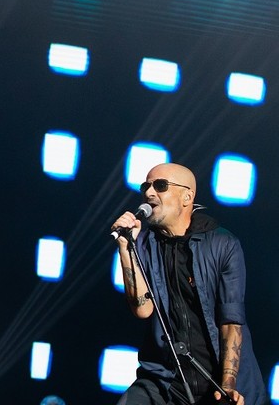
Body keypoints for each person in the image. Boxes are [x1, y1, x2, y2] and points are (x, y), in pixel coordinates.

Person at [112, 162, 267, 405]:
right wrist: (125, 247)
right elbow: (142, 308)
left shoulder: (222, 244)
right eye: (146, 186)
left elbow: (231, 321)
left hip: (217, 376)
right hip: (165, 378)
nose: (149, 193)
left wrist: (227, 385)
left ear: (187, 196)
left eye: (160, 186)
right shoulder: (143, 243)